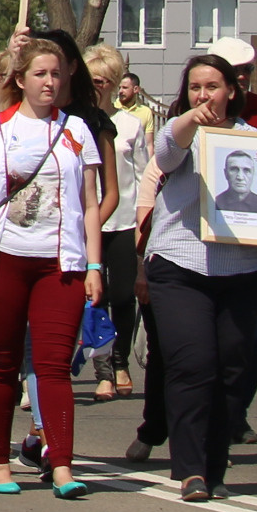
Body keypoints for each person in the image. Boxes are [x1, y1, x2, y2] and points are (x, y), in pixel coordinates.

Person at [0, 30, 106, 497]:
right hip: (2, 261)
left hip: (61, 265)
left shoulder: (77, 132)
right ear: (21, 79)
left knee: (53, 367)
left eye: (56, 73)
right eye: (40, 73)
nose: (49, 82)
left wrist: (95, 265)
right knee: (1, 366)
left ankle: (62, 467)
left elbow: (90, 203)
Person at [146, 52, 257, 499]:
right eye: (194, 87)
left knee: (232, 369)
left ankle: (213, 465)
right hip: (181, 266)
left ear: (232, 91)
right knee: (193, 365)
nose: (204, 94)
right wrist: (191, 119)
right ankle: (189, 470)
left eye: (212, 86)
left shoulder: (255, 143)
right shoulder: (181, 135)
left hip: (245, 270)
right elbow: (166, 154)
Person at [83, 42, 151, 403]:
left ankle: (122, 358)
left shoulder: (128, 124)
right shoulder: (77, 123)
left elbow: (143, 176)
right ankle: (105, 370)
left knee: (124, 297)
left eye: (107, 81)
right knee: (97, 296)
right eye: (94, 80)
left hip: (123, 219)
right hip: (88, 224)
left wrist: (143, 224)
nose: (100, 87)